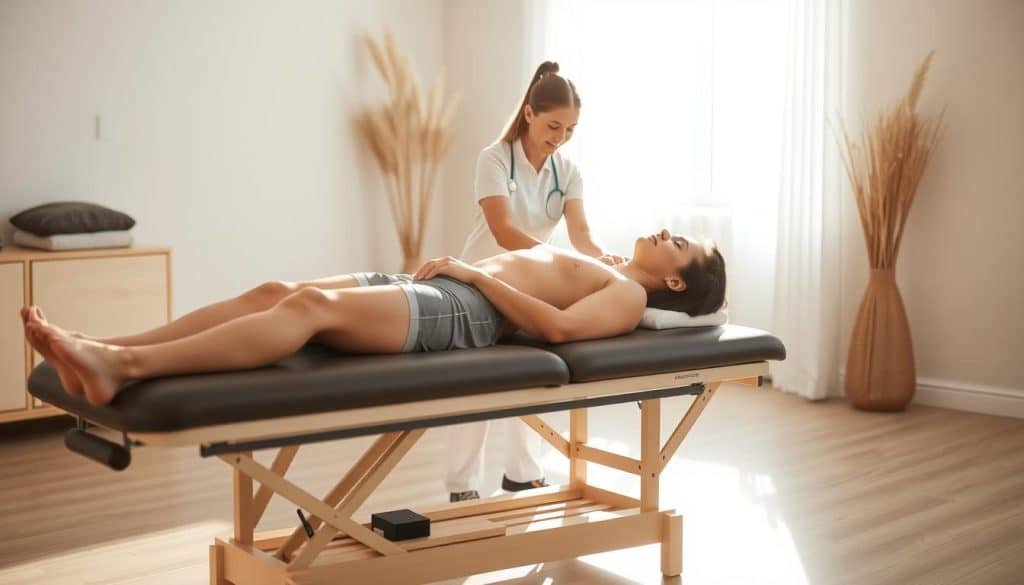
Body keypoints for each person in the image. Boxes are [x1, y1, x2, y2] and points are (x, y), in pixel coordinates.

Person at [22, 229, 726, 412]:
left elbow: (559, 332)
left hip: (464, 309)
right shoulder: (607, 259)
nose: (668, 231)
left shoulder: (629, 296)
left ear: (674, 279)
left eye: (682, 243)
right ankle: (105, 346)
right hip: (443, 286)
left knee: (306, 310)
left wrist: (474, 272)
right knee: (279, 287)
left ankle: (127, 368)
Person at [450, 61, 622, 502]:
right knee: (478, 384)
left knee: (529, 376)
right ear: (529, 114)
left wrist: (602, 259)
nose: (560, 137)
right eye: (553, 126)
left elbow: (582, 235)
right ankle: (463, 486)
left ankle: (522, 472)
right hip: (481, 282)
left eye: (569, 129)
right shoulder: (493, 159)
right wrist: (561, 264)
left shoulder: (569, 173)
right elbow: (505, 231)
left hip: (532, 286)